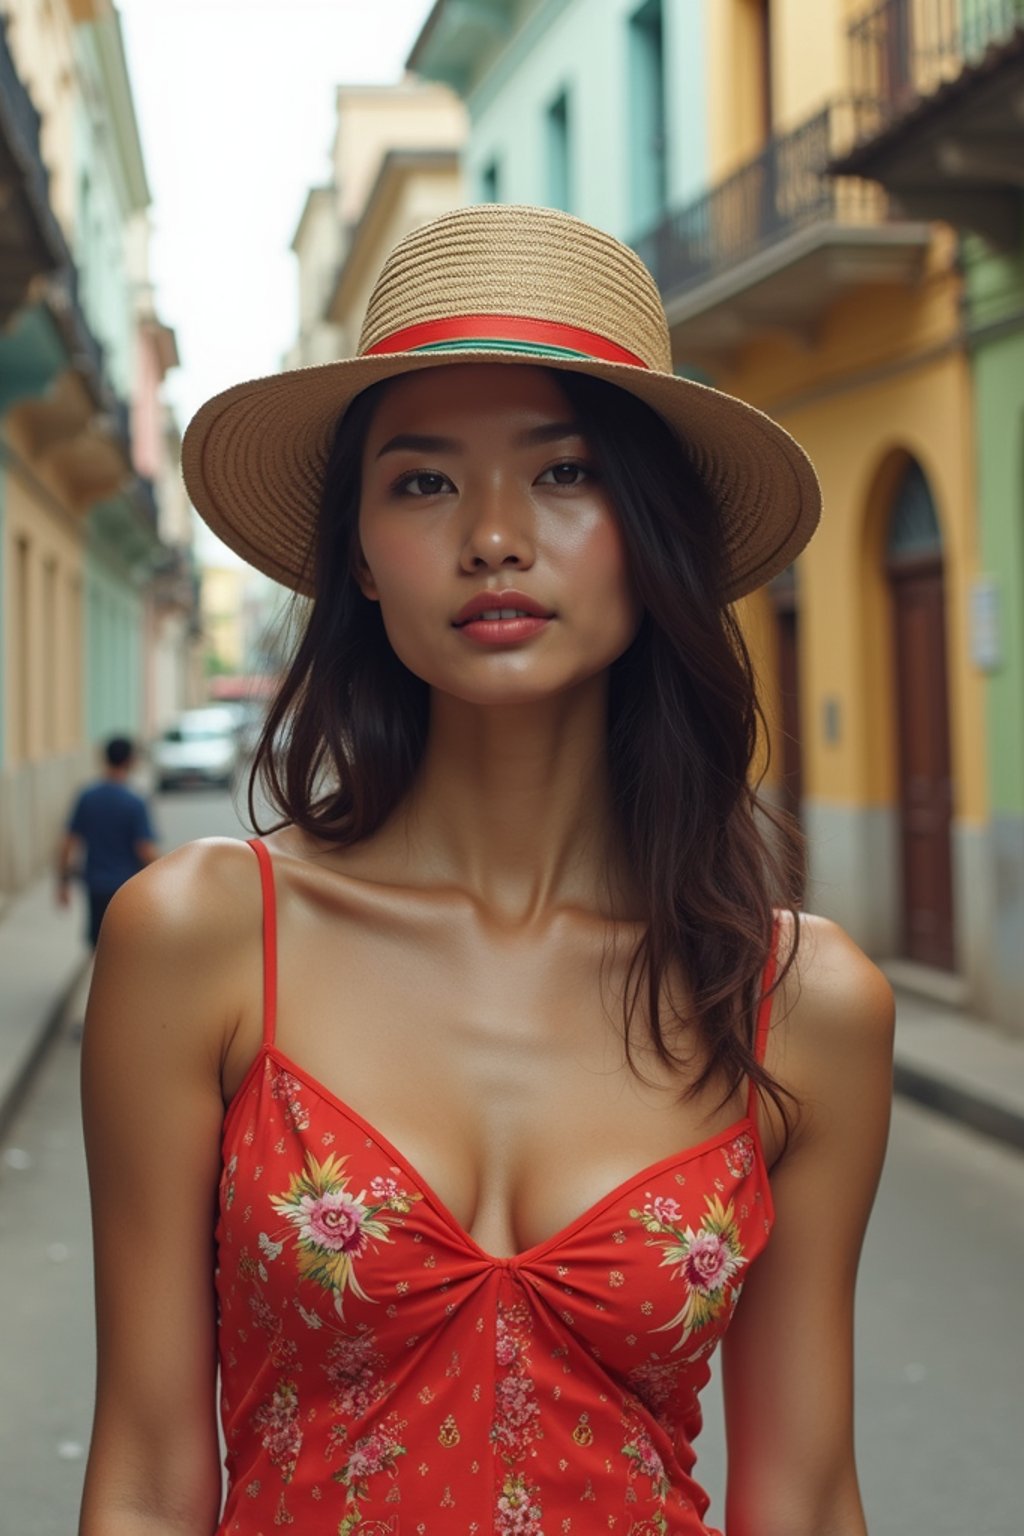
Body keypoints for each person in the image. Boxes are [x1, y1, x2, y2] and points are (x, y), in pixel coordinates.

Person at [78, 205, 894, 1536]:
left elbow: (802, 1496)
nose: (496, 535)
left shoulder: (801, 1001)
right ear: (359, 552)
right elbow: (146, 1481)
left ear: (648, 531)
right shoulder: (206, 939)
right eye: (423, 481)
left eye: (565, 474)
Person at [58, 734, 159, 948]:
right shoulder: (134, 802)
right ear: (130, 761)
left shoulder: (87, 797)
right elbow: (144, 849)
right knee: (125, 945)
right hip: (126, 888)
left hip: (95, 885)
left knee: (98, 944)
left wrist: (63, 883)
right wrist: (164, 877)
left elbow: (68, 842)